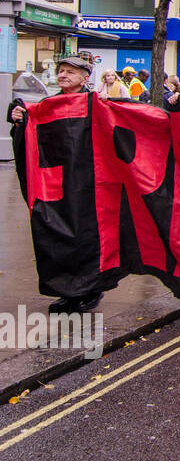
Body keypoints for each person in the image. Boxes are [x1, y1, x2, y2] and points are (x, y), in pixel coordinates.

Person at [8, 56, 100, 314]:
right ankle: (67, 292)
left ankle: (90, 289)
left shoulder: (97, 104)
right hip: (56, 183)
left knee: (86, 236)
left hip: (89, 182)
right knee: (55, 234)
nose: (63, 75)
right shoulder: (48, 104)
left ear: (85, 78)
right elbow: (31, 133)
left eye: (71, 72)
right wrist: (18, 120)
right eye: (61, 71)